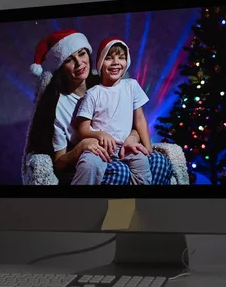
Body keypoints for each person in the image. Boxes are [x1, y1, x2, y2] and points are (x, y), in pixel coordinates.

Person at [23, 29, 172, 186]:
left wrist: (133, 138)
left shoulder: (111, 82)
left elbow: (135, 121)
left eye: (82, 54)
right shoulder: (58, 104)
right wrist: (81, 146)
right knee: (119, 172)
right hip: (85, 159)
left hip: (121, 148)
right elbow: (59, 162)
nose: (79, 63)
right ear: (61, 67)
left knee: (159, 162)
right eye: (69, 59)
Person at [75, 38, 153, 185]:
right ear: (100, 64)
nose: (116, 62)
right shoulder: (93, 93)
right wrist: (99, 134)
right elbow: (82, 129)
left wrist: (149, 149)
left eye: (121, 58)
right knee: (88, 165)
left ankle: (137, 205)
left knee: (142, 164)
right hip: (99, 148)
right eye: (109, 58)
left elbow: (140, 119)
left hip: (127, 147)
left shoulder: (131, 86)